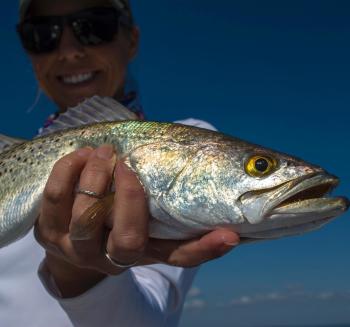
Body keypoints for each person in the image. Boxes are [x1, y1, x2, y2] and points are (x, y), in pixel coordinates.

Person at [0, 0, 240, 326]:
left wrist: (78, 272)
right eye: (42, 34)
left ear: (132, 40)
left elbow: (147, 316)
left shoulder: (192, 140)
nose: (69, 51)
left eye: (94, 26)